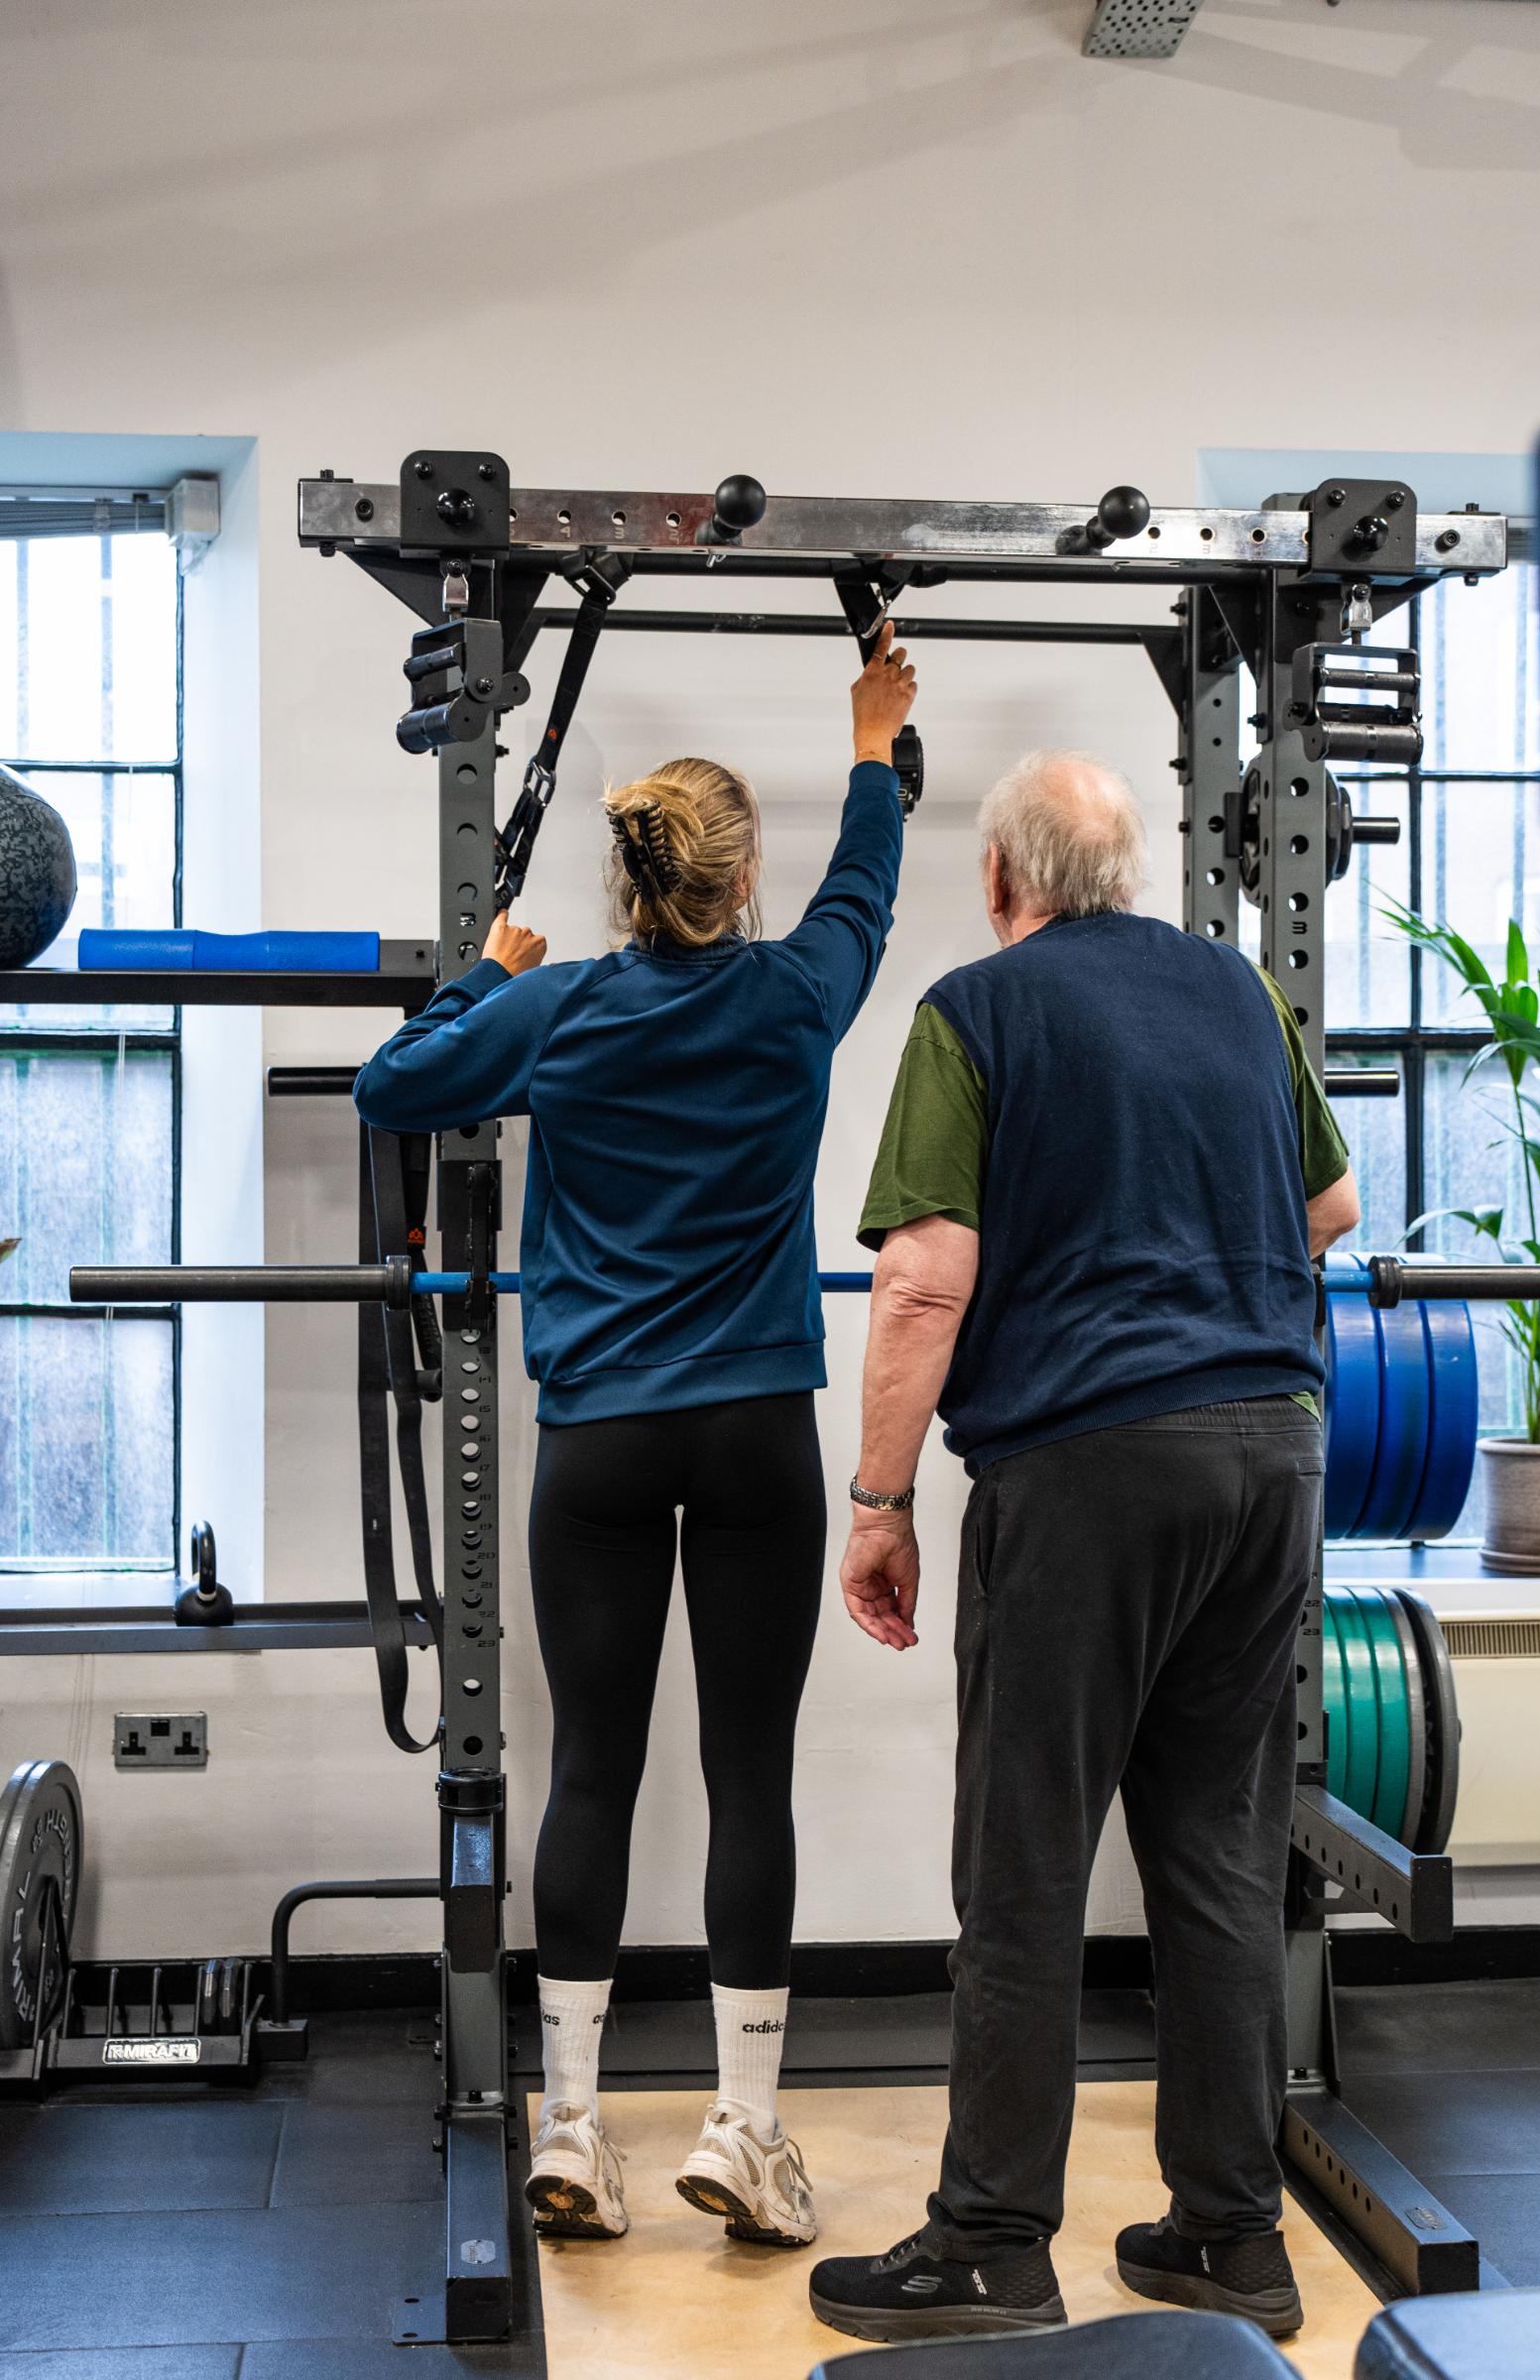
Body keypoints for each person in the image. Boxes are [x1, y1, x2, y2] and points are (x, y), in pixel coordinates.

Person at [355, 629, 918, 2252]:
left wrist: (490, 974)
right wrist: (873, 740)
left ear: (625, 882)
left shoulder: (562, 1010)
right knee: (750, 1776)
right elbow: (865, 887)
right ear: (739, 886)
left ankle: (576, 2129)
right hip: (754, 1438)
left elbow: (392, 1089)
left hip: (599, 1440)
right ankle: (744, 2132)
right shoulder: (798, 993)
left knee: (592, 1770)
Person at [807, 749, 1360, 2345]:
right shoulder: (1241, 994)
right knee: (1221, 1855)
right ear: (1128, 875)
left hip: (1090, 1470)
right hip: (1273, 1458)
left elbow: (923, 1281)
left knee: (1027, 1858)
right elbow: (1328, 1212)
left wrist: (880, 1503)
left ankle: (991, 2241)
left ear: (1001, 881)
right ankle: (1230, 2237)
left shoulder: (976, 1013)